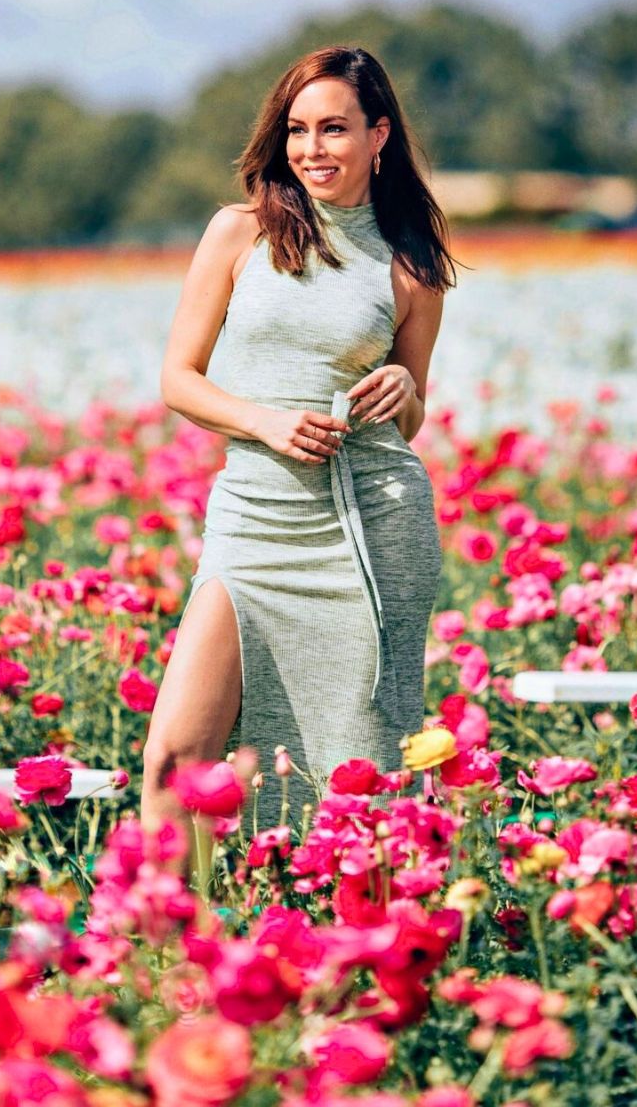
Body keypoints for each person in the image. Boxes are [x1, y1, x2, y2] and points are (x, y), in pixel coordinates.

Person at [141, 45, 459, 838]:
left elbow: (409, 418)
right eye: (297, 130)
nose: (311, 149)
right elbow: (178, 379)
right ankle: (152, 955)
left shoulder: (413, 265)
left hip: (369, 532)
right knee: (175, 756)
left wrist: (407, 392)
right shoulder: (238, 233)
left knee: (352, 773)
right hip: (253, 519)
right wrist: (263, 420)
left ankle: (326, 950)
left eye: (334, 129)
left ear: (379, 136)